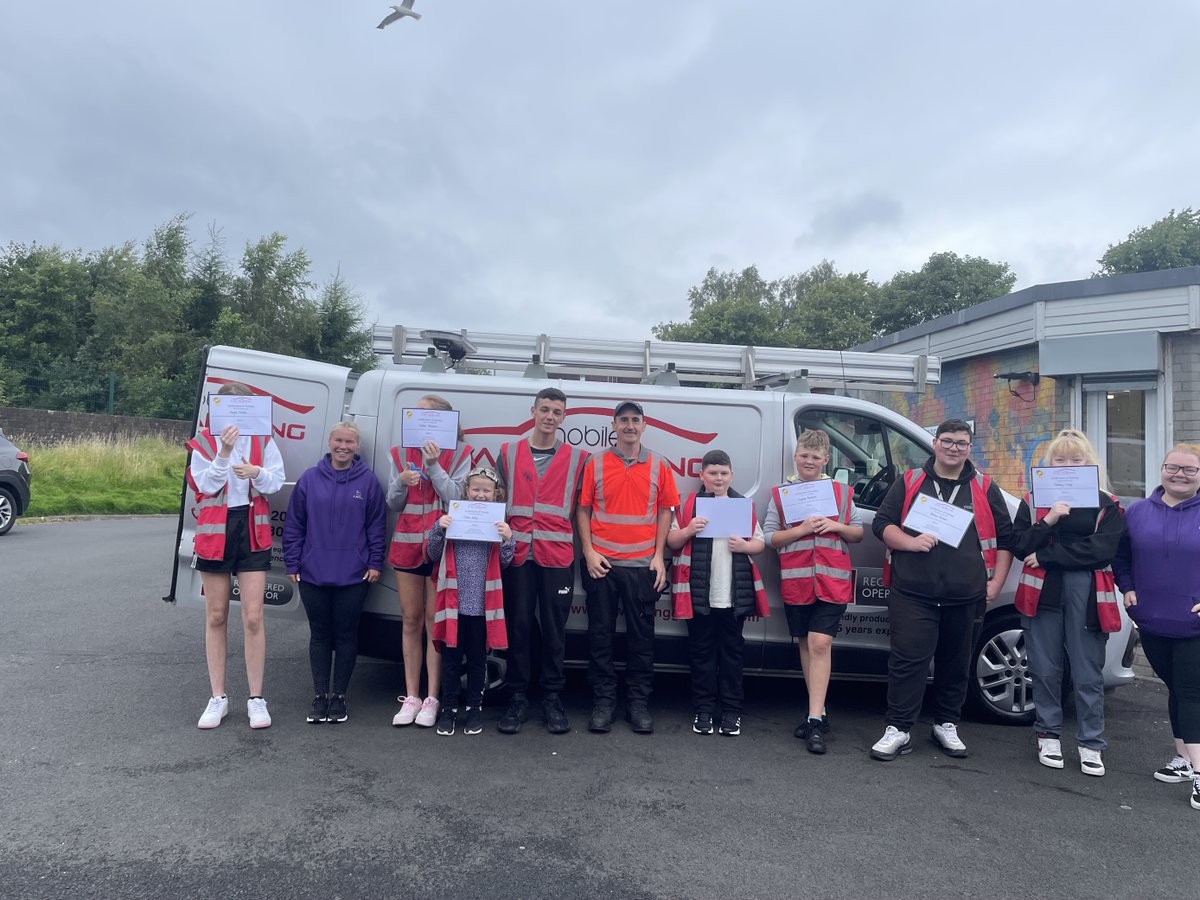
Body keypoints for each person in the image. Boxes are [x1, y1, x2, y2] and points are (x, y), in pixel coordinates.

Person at [869, 417, 1014, 761]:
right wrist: (908, 542)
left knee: (955, 663)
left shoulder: (984, 486)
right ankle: (899, 728)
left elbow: (1006, 539)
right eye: (947, 441)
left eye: (960, 443)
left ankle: (946, 724)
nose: (953, 448)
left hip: (965, 594)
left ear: (969, 448)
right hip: (912, 591)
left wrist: (996, 582)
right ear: (935, 443)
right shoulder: (910, 481)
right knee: (907, 662)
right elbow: (881, 524)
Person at [1011, 429, 1124, 775]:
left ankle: (1091, 742)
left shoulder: (1107, 503)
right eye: (1060, 459)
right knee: (1044, 668)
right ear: (1050, 464)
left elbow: (1100, 550)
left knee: (1088, 671)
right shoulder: (1034, 501)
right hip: (1042, 592)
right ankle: (1048, 734)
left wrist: (1047, 556)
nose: (1068, 464)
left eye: (1076, 459)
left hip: (1088, 593)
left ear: (1089, 463)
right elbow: (1019, 544)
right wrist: (1049, 520)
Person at [576, 400, 680, 734]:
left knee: (642, 640)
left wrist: (658, 556)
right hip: (601, 564)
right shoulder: (596, 463)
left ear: (644, 425)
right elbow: (582, 510)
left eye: (636, 420)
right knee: (601, 637)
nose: (630, 426)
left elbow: (666, 511)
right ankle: (603, 703)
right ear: (614, 425)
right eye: (624, 420)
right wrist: (589, 553)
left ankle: (638, 705)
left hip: (641, 566)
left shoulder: (659, 465)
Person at [187, 382, 286, 730]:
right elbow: (205, 486)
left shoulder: (262, 439)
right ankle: (218, 697)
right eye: (225, 407)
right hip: (215, 531)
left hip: (252, 528)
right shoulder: (202, 442)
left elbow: (276, 482)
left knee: (254, 617)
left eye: (239, 407)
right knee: (215, 615)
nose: (232, 414)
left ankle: (256, 699)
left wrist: (256, 472)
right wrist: (224, 453)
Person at [762, 429, 864, 754]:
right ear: (796, 456)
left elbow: (858, 532)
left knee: (820, 643)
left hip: (832, 582)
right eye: (804, 455)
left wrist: (836, 526)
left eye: (815, 457)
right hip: (797, 581)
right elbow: (769, 538)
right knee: (807, 644)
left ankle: (815, 722)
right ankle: (816, 711)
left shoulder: (842, 493)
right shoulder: (782, 495)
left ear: (826, 460)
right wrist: (801, 530)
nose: (809, 461)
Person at [495, 388, 590, 735]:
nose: (550, 417)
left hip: (557, 557)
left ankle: (552, 698)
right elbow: (495, 501)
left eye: (557, 412)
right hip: (517, 555)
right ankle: (518, 697)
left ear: (564, 417)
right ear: (533, 410)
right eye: (545, 410)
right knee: (518, 628)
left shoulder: (579, 459)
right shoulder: (507, 452)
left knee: (554, 632)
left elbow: (584, 510)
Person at [1113, 443, 1200, 810]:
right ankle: (1184, 758)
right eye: (1173, 467)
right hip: (1151, 620)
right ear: (1162, 469)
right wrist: (1128, 587)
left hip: (1194, 624)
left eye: (1190, 470)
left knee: (1191, 691)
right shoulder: (1136, 513)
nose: (1179, 474)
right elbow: (1121, 557)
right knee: (1175, 689)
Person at [283, 421, 387, 725]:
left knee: (345, 635)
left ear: (357, 447)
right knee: (319, 635)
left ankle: (339, 696)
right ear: (329, 442)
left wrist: (375, 562)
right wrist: (293, 562)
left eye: (350, 442)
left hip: (355, 574)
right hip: (312, 571)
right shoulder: (309, 479)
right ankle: (319, 696)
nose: (344, 447)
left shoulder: (368, 482)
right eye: (339, 441)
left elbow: (377, 527)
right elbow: (294, 525)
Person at [668, 449, 768, 737]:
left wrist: (746, 547)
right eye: (712, 473)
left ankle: (732, 713)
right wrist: (688, 529)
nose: (718, 478)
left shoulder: (742, 505)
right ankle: (703, 710)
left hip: (732, 595)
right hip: (699, 595)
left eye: (723, 473)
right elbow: (672, 541)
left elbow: (759, 542)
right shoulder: (689, 505)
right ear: (701, 475)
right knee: (701, 654)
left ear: (732, 475)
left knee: (732, 655)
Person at [387, 395, 473, 728]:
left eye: (426, 415)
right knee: (410, 619)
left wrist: (434, 466)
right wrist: (400, 482)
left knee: (434, 622)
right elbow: (392, 503)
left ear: (444, 421)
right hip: (407, 547)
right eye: (416, 415)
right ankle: (411, 696)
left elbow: (457, 499)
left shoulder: (462, 452)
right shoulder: (398, 452)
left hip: (443, 549)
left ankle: (433, 697)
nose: (419, 419)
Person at [427, 466, 515, 735]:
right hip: (453, 605)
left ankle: (474, 709)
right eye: (475, 489)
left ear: (495, 494)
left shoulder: (498, 523)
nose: (480, 495)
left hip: (481, 608)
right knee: (451, 661)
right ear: (466, 491)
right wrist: (438, 530)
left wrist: (508, 539)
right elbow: (432, 553)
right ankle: (449, 709)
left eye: (486, 491)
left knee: (477, 661)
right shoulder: (452, 517)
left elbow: (505, 562)